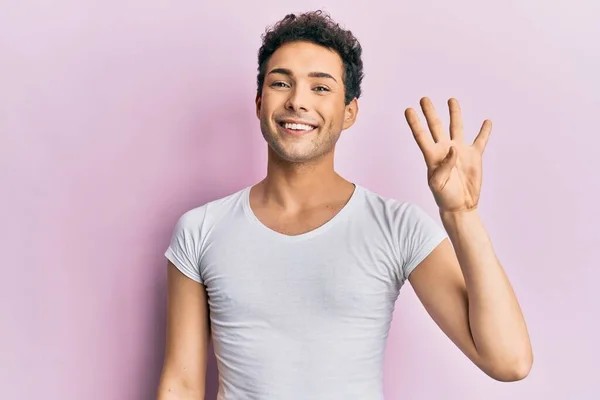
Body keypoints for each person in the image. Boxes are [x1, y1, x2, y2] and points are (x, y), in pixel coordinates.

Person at [156, 10, 533, 400]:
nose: (297, 101)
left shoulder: (395, 226)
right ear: (259, 102)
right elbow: (181, 385)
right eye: (281, 83)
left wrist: (461, 216)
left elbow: (509, 361)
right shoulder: (201, 229)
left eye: (320, 88)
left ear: (349, 112)